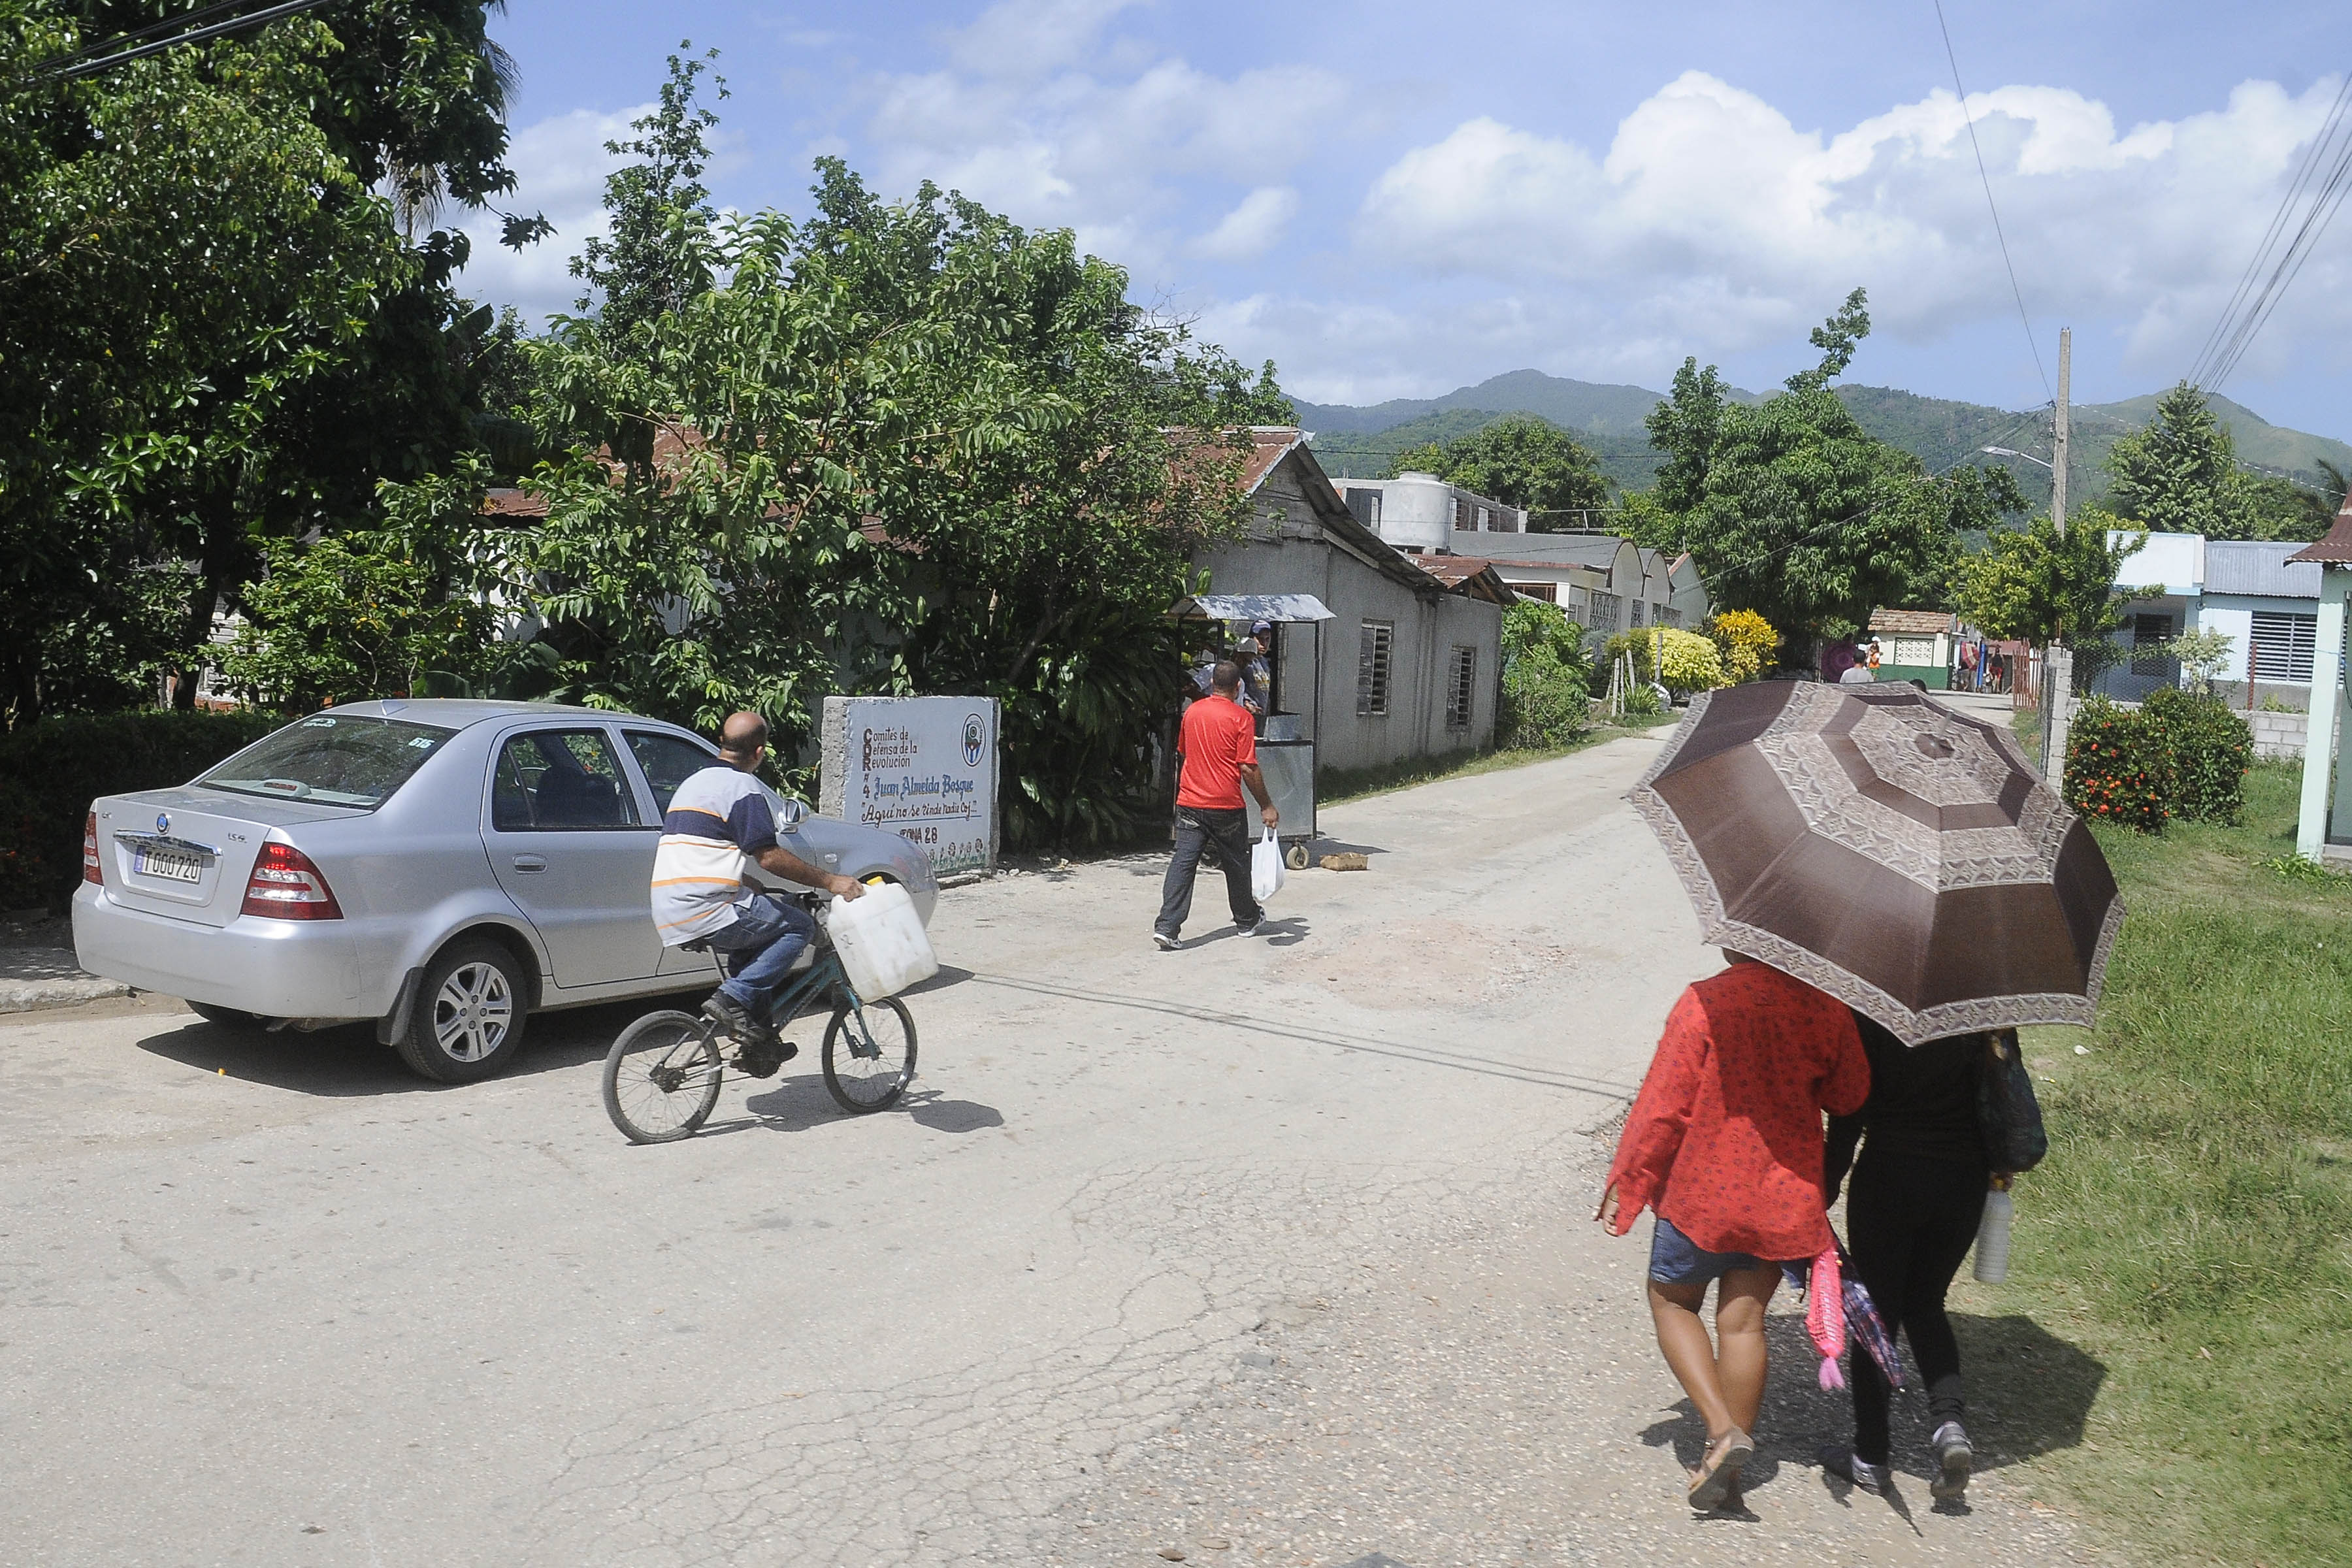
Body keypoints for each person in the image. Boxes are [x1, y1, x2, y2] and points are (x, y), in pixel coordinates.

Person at [1598, 954, 1872, 1512]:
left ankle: (1723, 1433)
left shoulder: (1704, 1001)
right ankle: (1728, 1480)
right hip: (1781, 1196)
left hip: (1703, 1193)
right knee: (1743, 1325)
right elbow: (1850, 1096)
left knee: (1672, 1302)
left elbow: (1663, 1109)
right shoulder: (1826, 1008)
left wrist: (1628, 1183)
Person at [1819, 1017, 1993, 1501]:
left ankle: (1871, 1457)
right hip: (1963, 1181)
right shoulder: (1983, 1013)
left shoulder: (1872, 1015)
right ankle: (1949, 1426)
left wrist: (1825, 1185)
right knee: (1927, 1303)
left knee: (1877, 1314)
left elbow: (1849, 1112)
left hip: (1890, 1176)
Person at [649, 712, 866, 1070]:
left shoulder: (694, 783)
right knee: (799, 927)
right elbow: (769, 857)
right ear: (760, 751)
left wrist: (747, 883)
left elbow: (702, 849)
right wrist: (831, 881)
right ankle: (734, 998)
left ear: (722, 742)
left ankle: (759, 1039)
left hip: (672, 906)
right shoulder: (743, 788)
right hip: (707, 906)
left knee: (757, 940)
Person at [1154, 661, 1278, 951]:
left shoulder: (1192, 712)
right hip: (1225, 807)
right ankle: (1247, 920)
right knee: (1235, 864)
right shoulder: (1241, 718)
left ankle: (1167, 927)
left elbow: (1183, 753)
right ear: (1238, 687)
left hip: (1189, 803)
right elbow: (1248, 768)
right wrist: (1267, 805)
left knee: (1183, 863)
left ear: (1211, 683)